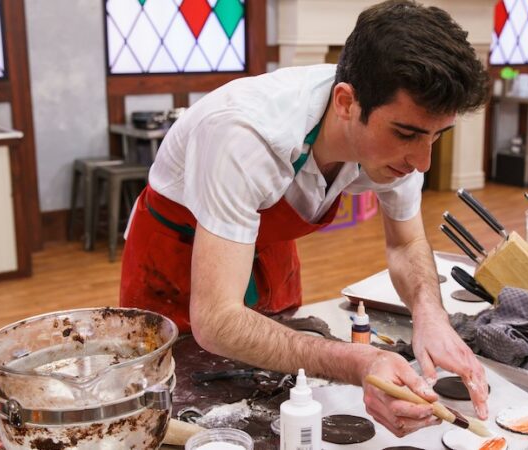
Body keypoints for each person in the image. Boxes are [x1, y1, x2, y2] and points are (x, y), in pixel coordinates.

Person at [121, 0, 490, 436]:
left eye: (437, 136)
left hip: (268, 245)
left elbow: (406, 243)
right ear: (346, 102)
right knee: (187, 408)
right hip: (175, 258)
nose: (423, 162)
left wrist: (432, 317)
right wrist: (360, 363)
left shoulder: (402, 145)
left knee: (275, 398)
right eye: (407, 134)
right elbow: (217, 320)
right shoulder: (246, 136)